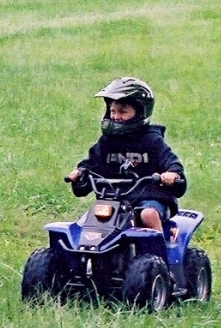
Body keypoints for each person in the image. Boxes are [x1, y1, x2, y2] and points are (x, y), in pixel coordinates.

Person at [68, 77, 187, 232]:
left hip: (150, 198)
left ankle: (158, 253)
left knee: (148, 215)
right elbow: (91, 164)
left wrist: (172, 174)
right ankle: (80, 254)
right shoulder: (107, 142)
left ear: (140, 113)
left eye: (123, 112)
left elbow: (171, 162)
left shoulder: (152, 141)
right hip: (115, 200)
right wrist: (80, 173)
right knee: (90, 222)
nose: (116, 117)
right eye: (113, 111)